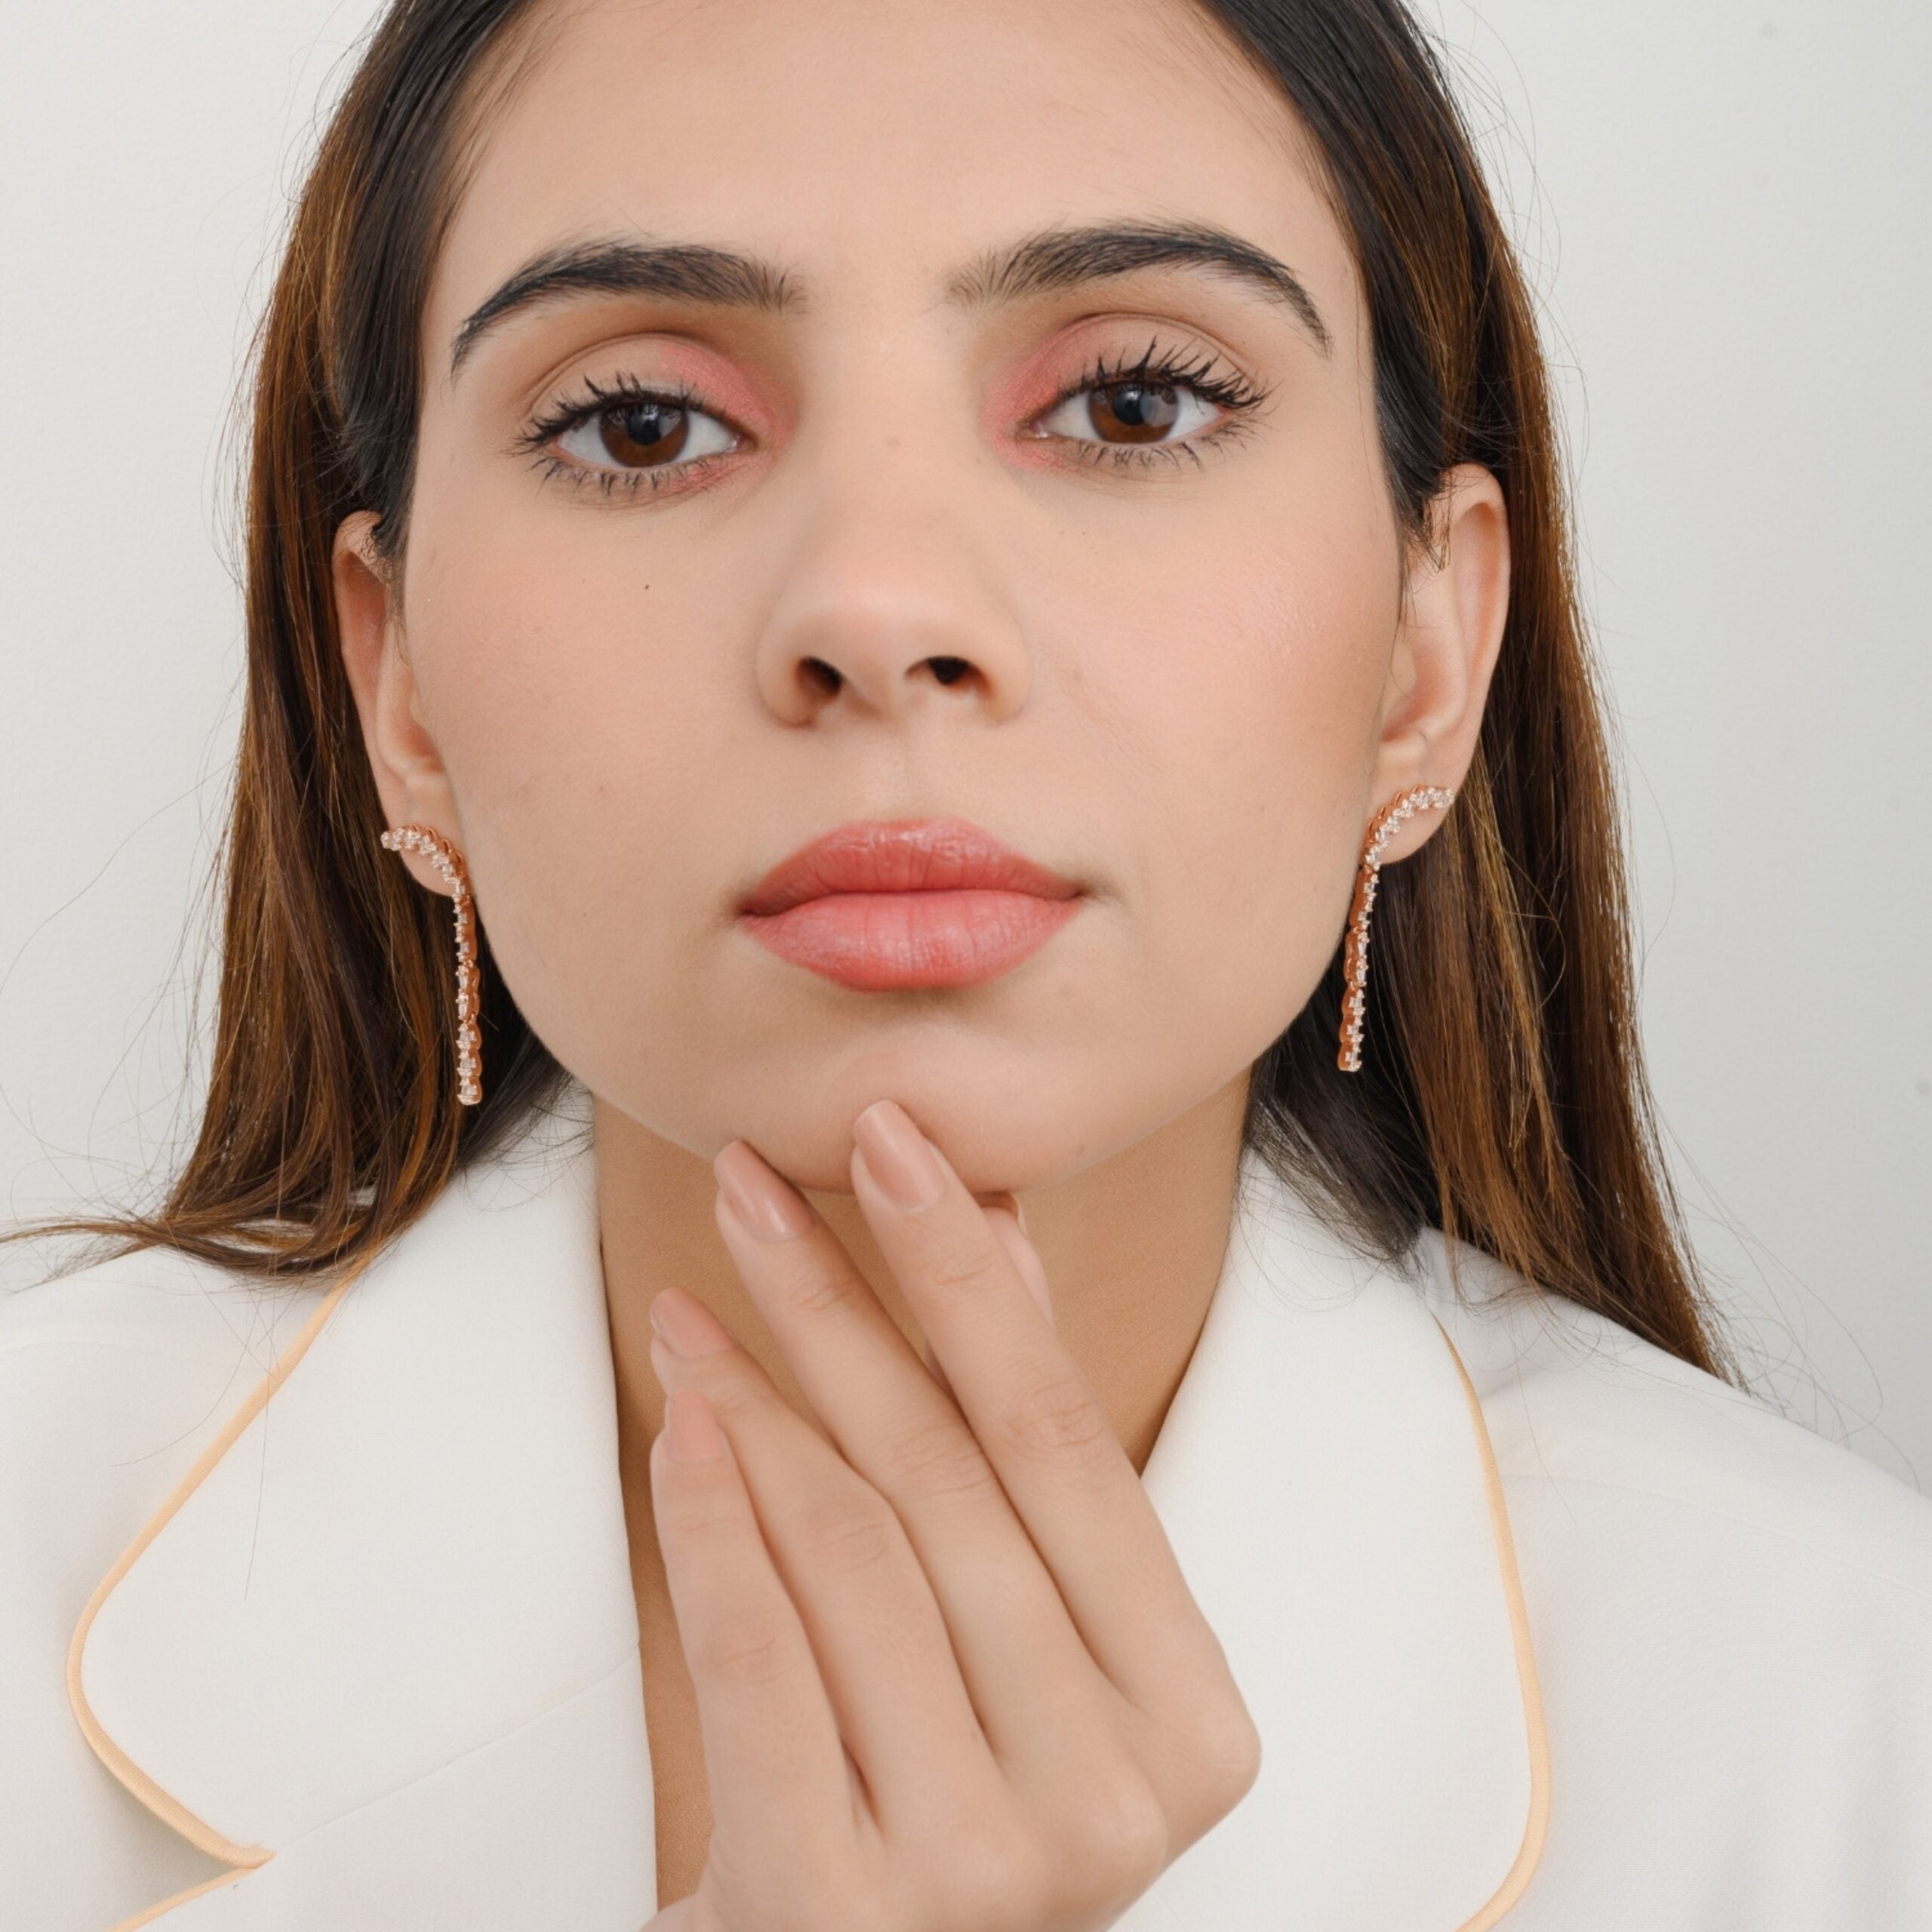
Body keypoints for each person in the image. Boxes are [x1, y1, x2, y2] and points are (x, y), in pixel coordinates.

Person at [5, 0, 1930, 1926]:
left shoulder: (1851, 1730)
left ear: (1424, 662)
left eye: (1130, 405)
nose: (878, 603)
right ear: (393, 683)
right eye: (644, 425)